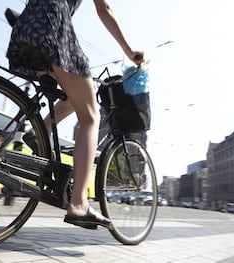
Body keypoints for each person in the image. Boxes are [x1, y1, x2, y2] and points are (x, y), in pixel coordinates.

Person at [7, 0, 144, 229]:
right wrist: (130, 53)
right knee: (91, 117)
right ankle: (79, 203)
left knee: (77, 96)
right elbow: (104, 10)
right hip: (51, 27)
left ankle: (39, 130)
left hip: (25, 28)